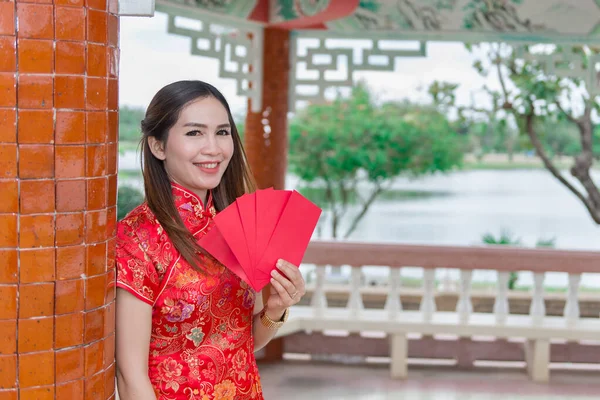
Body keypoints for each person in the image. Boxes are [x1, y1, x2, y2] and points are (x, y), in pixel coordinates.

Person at [115, 80, 306, 400]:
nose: (213, 148)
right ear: (157, 146)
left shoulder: (242, 223)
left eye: (222, 132)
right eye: (194, 133)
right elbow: (130, 376)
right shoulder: (139, 238)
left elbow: (245, 339)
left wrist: (276, 309)